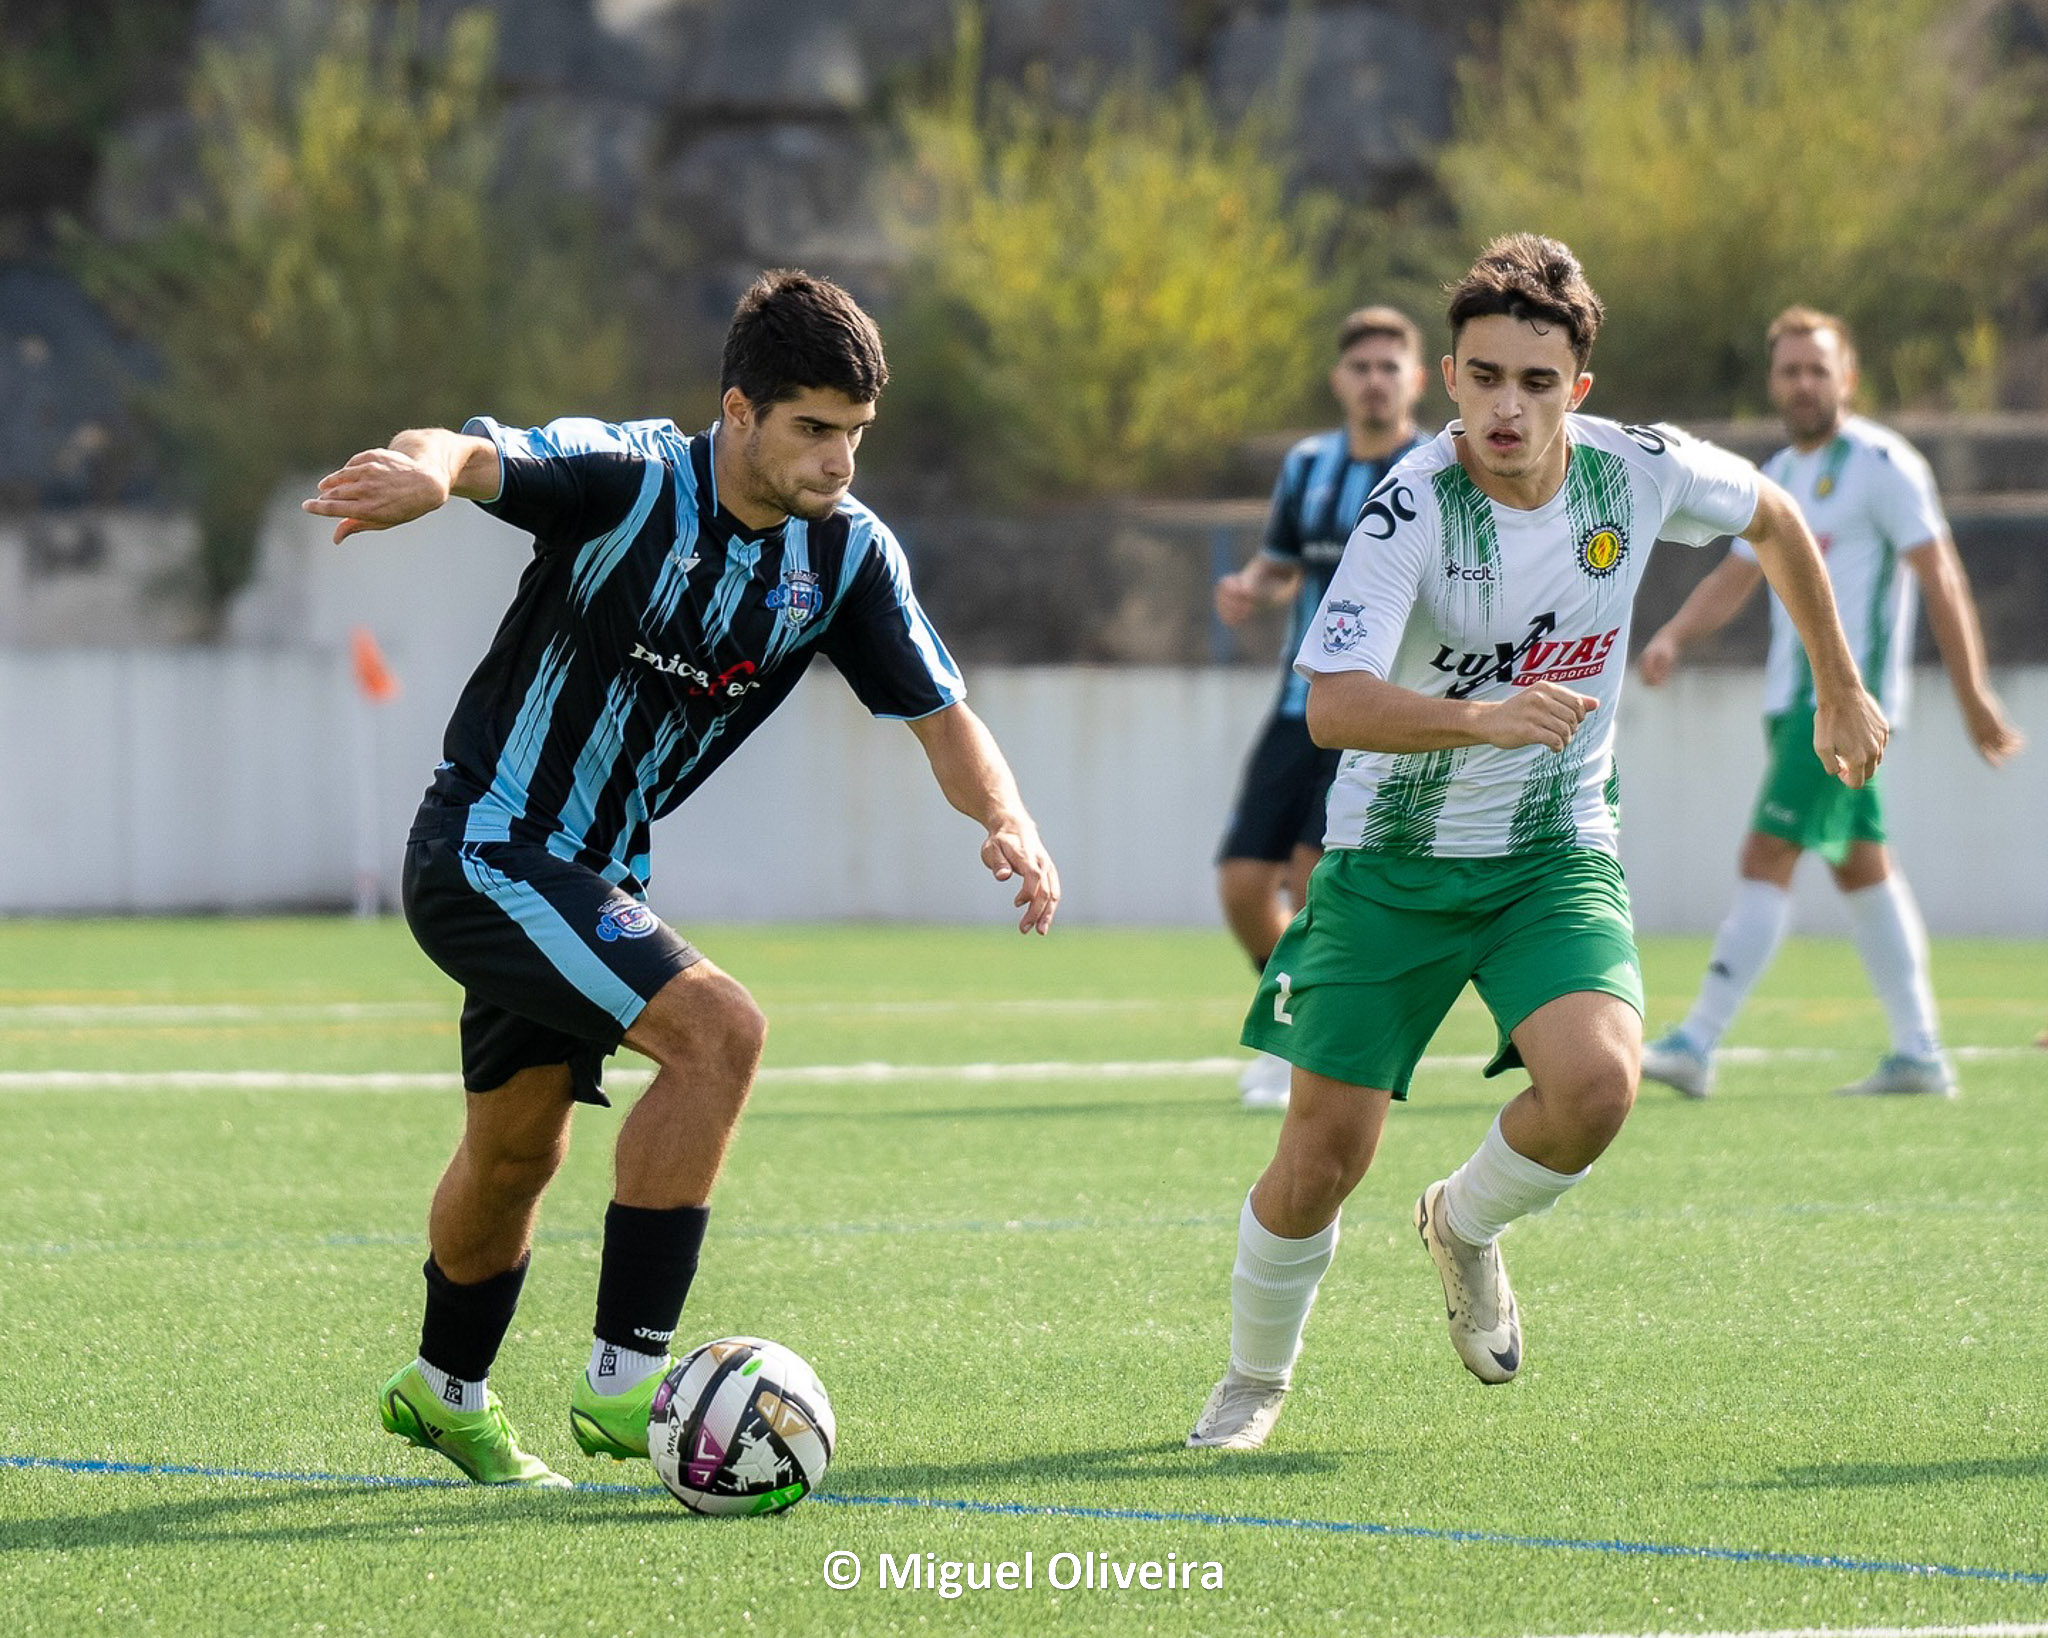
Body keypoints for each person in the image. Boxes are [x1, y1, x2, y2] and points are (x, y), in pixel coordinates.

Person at [302, 269, 1061, 1488]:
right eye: (813, 430)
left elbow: (939, 714)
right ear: (739, 410)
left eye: (856, 437)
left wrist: (1008, 816)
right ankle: (625, 1381)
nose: (837, 463)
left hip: (591, 869)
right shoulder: (627, 477)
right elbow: (466, 451)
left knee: (515, 1154)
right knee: (721, 1033)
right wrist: (427, 478)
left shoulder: (846, 556)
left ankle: (442, 1393)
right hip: (490, 844)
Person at [1186, 235, 1887, 1452]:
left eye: (1536, 380)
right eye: (1484, 377)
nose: (1506, 406)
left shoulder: (1642, 473)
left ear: (1579, 390)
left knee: (1598, 1085)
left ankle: (1461, 1222)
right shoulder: (1407, 502)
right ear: (1448, 379)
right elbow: (1332, 704)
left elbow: (1775, 519)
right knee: (1319, 1159)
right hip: (1387, 868)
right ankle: (1252, 1383)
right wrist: (1481, 716)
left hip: (1553, 851)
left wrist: (1836, 680)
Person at [1637, 308, 2023, 1101]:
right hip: (1791, 707)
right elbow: (1734, 577)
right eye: (1790, 370)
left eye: (1819, 369)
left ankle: (1695, 1041)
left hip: (1845, 708)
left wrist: (1973, 690)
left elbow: (1941, 573)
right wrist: (1674, 634)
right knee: (1861, 868)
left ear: (1847, 378)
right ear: (1773, 381)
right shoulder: (1778, 471)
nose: (1804, 383)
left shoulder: (1884, 464)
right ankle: (1919, 1052)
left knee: (1765, 856)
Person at [1214, 307, 1431, 1109]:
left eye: (1389, 367)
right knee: (1242, 884)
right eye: (1361, 367)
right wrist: (1251, 588)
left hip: (1377, 709)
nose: (1374, 381)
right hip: (1294, 705)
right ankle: (1301, 1013)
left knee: (1313, 879)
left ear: (1414, 379)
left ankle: (1298, 1048)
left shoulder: (1436, 467)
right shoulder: (1308, 466)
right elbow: (1283, 565)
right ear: (1340, 380)